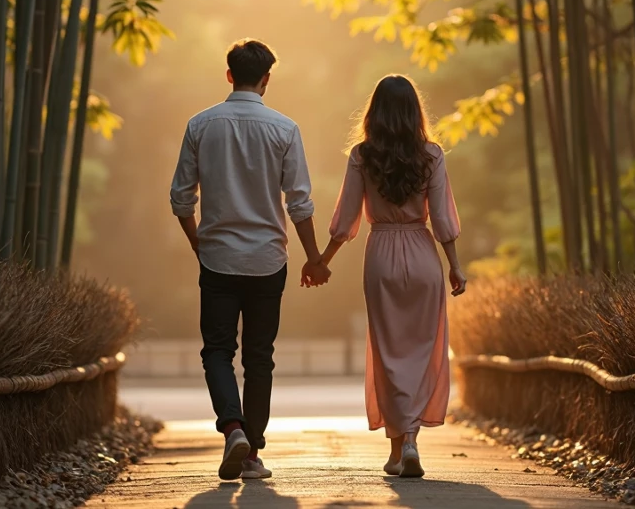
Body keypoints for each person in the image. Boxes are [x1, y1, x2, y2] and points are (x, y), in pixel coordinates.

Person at [169, 38, 332, 482]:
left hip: (217, 258)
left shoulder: (200, 125)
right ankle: (252, 454)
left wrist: (196, 241)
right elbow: (300, 203)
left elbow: (181, 199)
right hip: (267, 261)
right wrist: (314, 258)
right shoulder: (284, 128)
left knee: (218, 351)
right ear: (266, 80)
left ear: (228, 75)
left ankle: (233, 429)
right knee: (260, 357)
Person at [319, 74, 467, 478]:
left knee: (387, 352)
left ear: (375, 113)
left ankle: (399, 447)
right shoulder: (432, 155)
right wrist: (454, 265)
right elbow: (441, 219)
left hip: (381, 254)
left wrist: (323, 259)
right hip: (422, 255)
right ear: (414, 112)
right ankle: (410, 440)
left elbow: (346, 219)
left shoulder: (362, 156)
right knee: (421, 349)